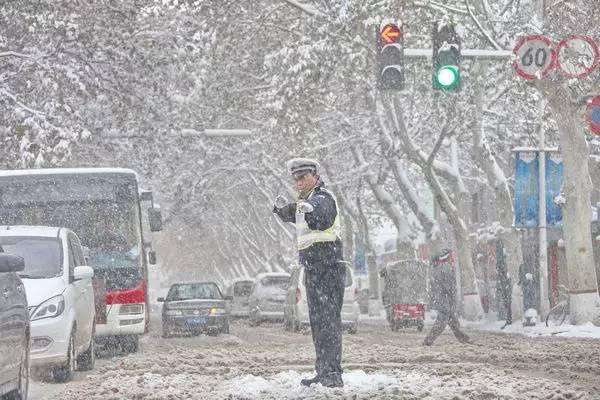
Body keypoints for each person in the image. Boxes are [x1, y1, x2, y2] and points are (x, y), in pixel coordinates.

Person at [273, 158, 345, 388]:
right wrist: (282, 211)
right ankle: (323, 371)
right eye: (295, 179)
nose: (299, 182)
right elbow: (297, 213)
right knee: (318, 323)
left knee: (328, 322)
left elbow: (320, 217)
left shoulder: (323, 198)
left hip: (329, 268)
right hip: (314, 269)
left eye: (303, 177)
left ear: (315, 175)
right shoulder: (305, 202)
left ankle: (332, 374)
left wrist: (309, 208)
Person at [423, 249, 471, 346]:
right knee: (442, 322)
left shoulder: (437, 267)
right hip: (445, 299)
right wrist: (453, 298)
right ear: (447, 257)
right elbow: (449, 286)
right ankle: (428, 340)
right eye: (451, 256)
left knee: (453, 322)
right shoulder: (445, 267)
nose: (453, 258)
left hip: (442, 298)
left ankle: (464, 338)